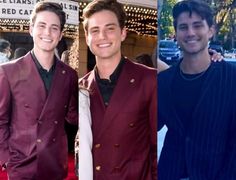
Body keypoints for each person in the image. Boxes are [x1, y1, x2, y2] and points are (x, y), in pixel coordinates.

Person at [158, 0, 236, 179]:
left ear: (211, 30)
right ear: (175, 34)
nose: (190, 33)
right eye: (183, 27)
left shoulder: (231, 78)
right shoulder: (164, 81)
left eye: (197, 25)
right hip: (170, 172)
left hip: (215, 174)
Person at [80, 0, 157, 179]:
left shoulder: (149, 80)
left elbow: (156, 150)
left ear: (123, 33)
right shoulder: (80, 88)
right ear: (87, 36)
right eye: (95, 30)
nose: (102, 36)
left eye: (110, 28)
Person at [0, 2, 78, 180]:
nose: (47, 33)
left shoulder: (69, 75)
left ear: (60, 35)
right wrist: (6, 159)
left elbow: (72, 116)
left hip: (55, 165)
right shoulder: (8, 71)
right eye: (41, 26)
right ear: (31, 29)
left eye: (54, 28)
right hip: (21, 166)